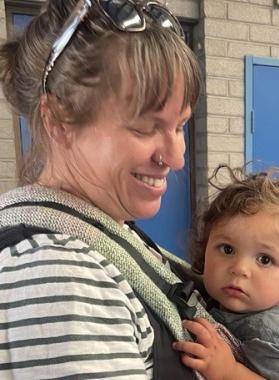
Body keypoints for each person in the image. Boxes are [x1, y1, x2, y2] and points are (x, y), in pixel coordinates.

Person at [0, 1, 264, 379]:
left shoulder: (104, 231)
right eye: (145, 128)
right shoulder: (63, 278)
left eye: (179, 126)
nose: (175, 158)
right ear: (58, 119)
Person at [173, 166, 279, 380]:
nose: (239, 268)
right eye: (227, 249)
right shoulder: (229, 301)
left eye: (264, 259)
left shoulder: (274, 330)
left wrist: (227, 371)